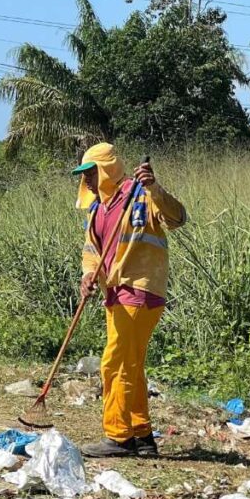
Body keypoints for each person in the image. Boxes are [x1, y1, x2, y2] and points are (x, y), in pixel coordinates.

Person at [73, 143, 186, 458]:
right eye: (84, 175)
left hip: (141, 288)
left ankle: (118, 437)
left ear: (106, 169)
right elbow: (92, 252)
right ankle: (142, 435)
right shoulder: (98, 208)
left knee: (115, 363)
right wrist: (89, 276)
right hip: (115, 293)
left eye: (91, 172)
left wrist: (155, 188)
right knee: (131, 366)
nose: (88, 180)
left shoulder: (140, 194)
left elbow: (177, 218)